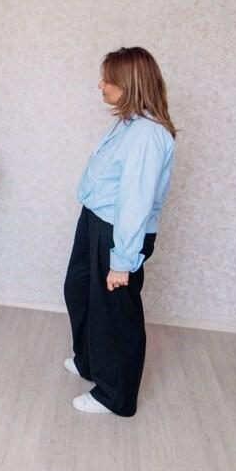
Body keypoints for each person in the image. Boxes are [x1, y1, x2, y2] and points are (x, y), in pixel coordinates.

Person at [62, 47, 176, 417]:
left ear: (129, 84)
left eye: (108, 80)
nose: (101, 85)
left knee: (114, 313)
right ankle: (89, 361)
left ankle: (116, 396)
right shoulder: (127, 124)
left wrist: (122, 261)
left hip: (119, 230)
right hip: (95, 220)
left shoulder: (148, 135)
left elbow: (136, 202)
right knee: (79, 291)